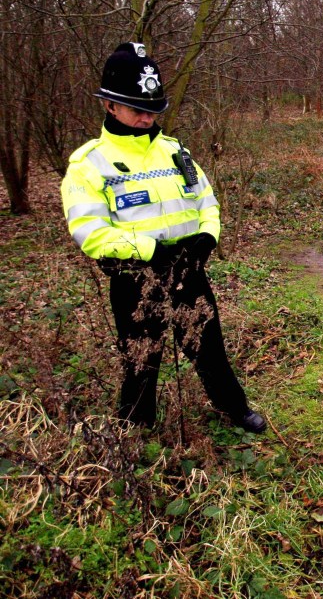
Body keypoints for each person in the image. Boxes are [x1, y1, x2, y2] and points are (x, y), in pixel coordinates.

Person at [60, 42, 266, 434]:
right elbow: (88, 230)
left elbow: (206, 199)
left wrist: (208, 236)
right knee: (141, 361)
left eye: (154, 111)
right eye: (138, 110)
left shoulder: (175, 152)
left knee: (209, 349)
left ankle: (234, 408)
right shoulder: (89, 165)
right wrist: (150, 251)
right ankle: (137, 432)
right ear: (110, 105)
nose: (146, 119)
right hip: (136, 280)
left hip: (190, 272)